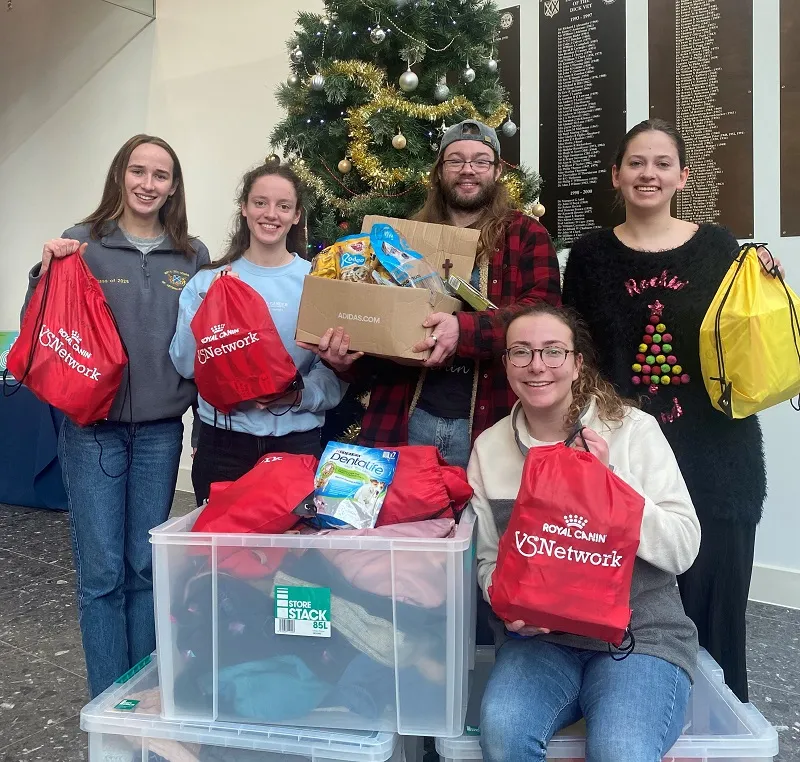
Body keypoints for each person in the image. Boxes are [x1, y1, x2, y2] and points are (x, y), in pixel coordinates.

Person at [562, 118, 785, 702]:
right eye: (636, 162)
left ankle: (719, 730)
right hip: (625, 463)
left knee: (716, 617)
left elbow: (746, 334)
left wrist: (767, 289)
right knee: (629, 625)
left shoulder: (719, 247)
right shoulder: (587, 256)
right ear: (615, 174)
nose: (648, 174)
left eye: (662, 163)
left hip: (718, 459)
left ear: (683, 176)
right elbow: (576, 353)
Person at [469, 302, 700, 762]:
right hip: (541, 642)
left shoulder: (633, 430)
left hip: (640, 637)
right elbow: (488, 561)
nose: (537, 366)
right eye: (521, 352)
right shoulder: (490, 448)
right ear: (506, 366)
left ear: (577, 364)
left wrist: (610, 485)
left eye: (554, 351)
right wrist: (504, 601)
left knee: (621, 750)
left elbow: (682, 547)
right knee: (503, 733)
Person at [22, 135, 210, 698]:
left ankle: (148, 695)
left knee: (145, 571)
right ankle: (111, 704)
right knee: (102, 575)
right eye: (138, 171)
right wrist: (43, 272)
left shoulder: (192, 253)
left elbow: (208, 337)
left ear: (173, 186)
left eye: (160, 175)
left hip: (159, 431)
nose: (147, 184)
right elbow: (43, 322)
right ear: (119, 176)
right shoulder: (84, 242)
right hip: (92, 431)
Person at [300, 119, 562, 470]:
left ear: (497, 170)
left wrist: (463, 330)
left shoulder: (526, 235)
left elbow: (543, 317)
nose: (468, 170)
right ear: (439, 171)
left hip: (492, 423)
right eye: (455, 160)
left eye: (481, 161)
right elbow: (382, 331)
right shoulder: (399, 241)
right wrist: (346, 362)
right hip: (405, 419)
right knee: (403, 523)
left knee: (486, 525)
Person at [170, 163, 345, 505]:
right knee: (222, 555)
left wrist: (296, 397)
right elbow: (187, 366)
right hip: (223, 443)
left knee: (292, 555)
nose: (271, 214)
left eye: (283, 206)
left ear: (297, 216)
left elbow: (333, 370)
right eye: (260, 202)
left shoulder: (318, 283)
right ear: (244, 209)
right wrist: (207, 314)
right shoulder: (208, 282)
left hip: (296, 443)